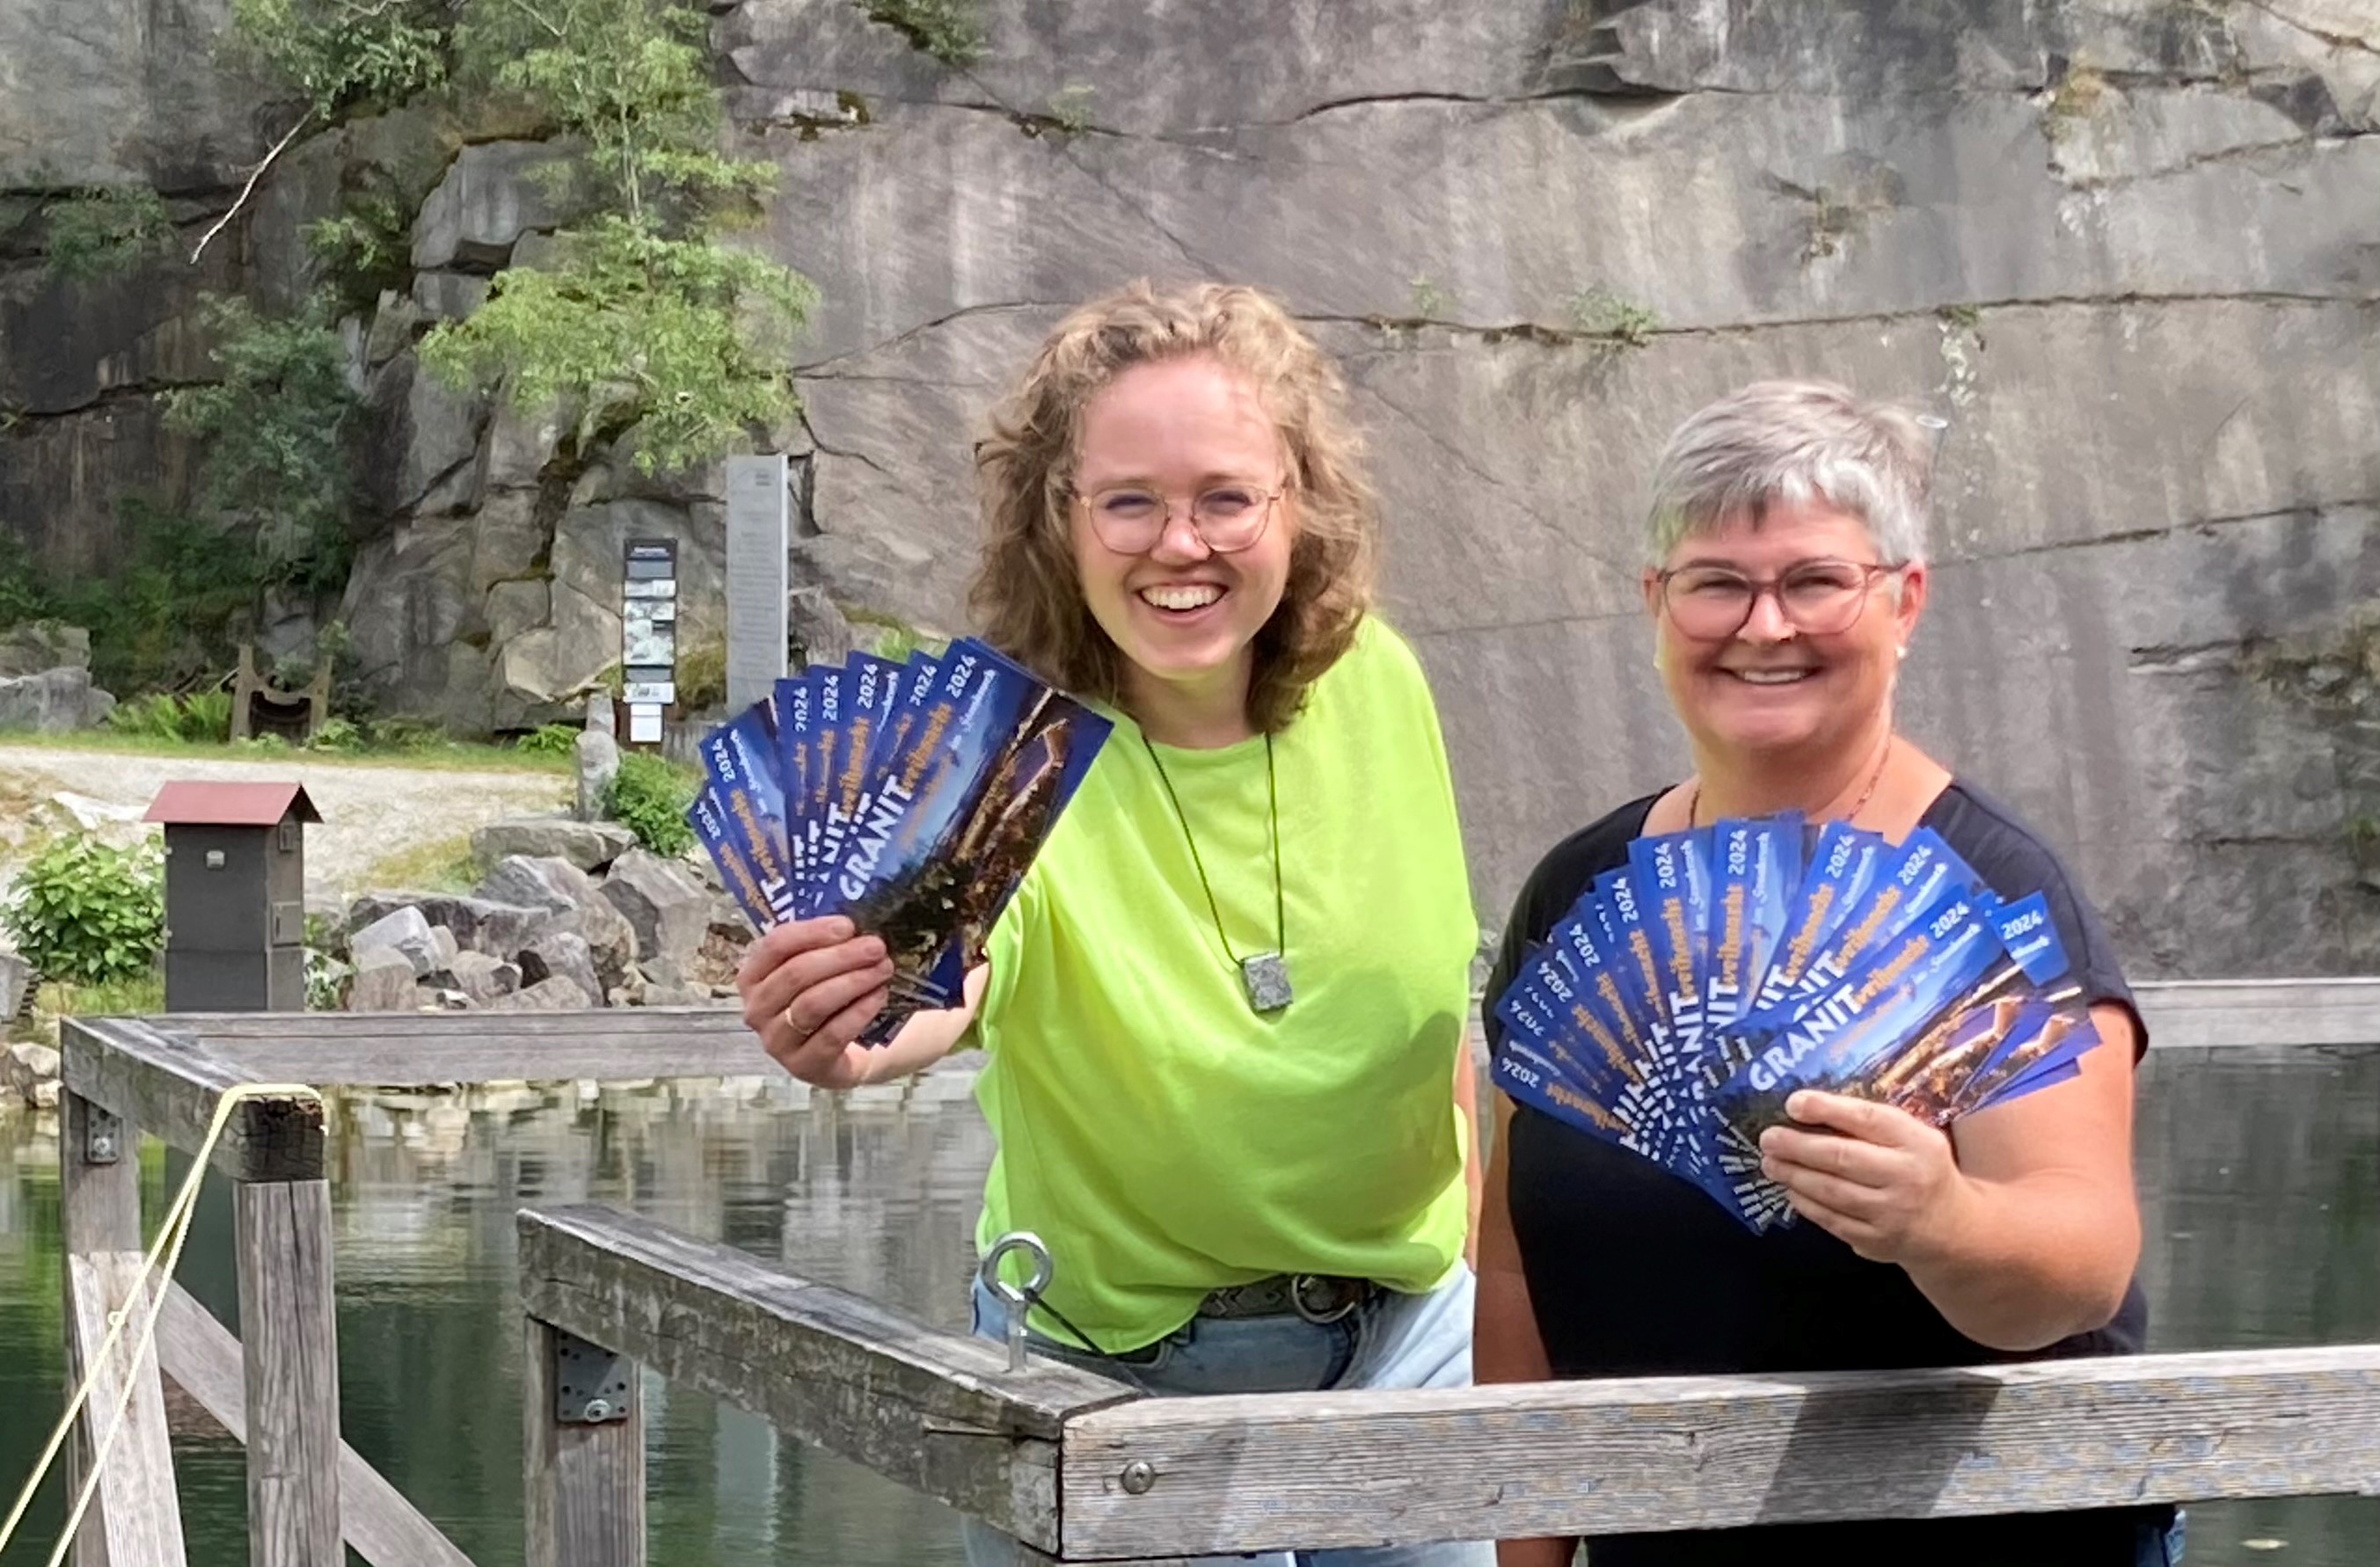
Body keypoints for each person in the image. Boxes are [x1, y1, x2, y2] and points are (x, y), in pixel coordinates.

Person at [736, 280, 1496, 1567]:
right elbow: (945, 981)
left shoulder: (1380, 679)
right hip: (1116, 1382)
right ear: (1059, 517)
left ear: (1296, 503)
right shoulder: (996, 755)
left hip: (1413, 1349)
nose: (1178, 543)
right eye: (1129, 500)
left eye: (1224, 497)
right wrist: (851, 1029)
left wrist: (1479, 1284)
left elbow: (1438, 1032)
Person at [1474, 379, 2183, 1566]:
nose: (1762, 626)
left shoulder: (1992, 895)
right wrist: (1528, 1557)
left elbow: (2080, 1267)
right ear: (1655, 605)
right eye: (1715, 582)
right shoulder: (1577, 890)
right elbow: (1510, 1266)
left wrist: (1940, 1220)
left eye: (1811, 580)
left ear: (1903, 600)